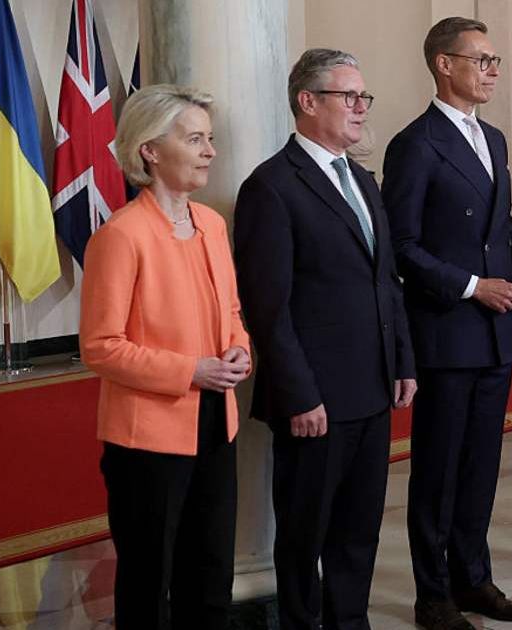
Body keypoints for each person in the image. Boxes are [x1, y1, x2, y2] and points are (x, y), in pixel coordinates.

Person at [233, 49, 417, 630]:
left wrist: (403, 359)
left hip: (372, 385)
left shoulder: (362, 177)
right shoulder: (271, 186)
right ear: (308, 102)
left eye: (365, 97)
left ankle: (349, 621)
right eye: (349, 96)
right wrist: (299, 395)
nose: (362, 108)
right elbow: (269, 307)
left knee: (359, 527)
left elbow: (386, 280)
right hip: (315, 398)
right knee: (305, 529)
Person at [382, 17, 512, 630]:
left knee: (481, 468)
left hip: (498, 330)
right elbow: (402, 245)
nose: (493, 70)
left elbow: (504, 222)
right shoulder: (415, 144)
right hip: (449, 328)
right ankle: (433, 594)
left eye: (495, 60)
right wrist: (474, 286)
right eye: (482, 59)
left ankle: (475, 579)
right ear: (444, 64)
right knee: (439, 470)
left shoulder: (493, 138)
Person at [80, 84, 249, 630]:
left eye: (210, 139)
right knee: (150, 578)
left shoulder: (213, 225)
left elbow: (232, 311)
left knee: (211, 568)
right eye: (195, 138)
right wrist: (190, 370)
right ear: (149, 150)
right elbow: (100, 347)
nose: (210, 151)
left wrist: (239, 349)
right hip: (146, 436)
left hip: (215, 422)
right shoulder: (121, 236)